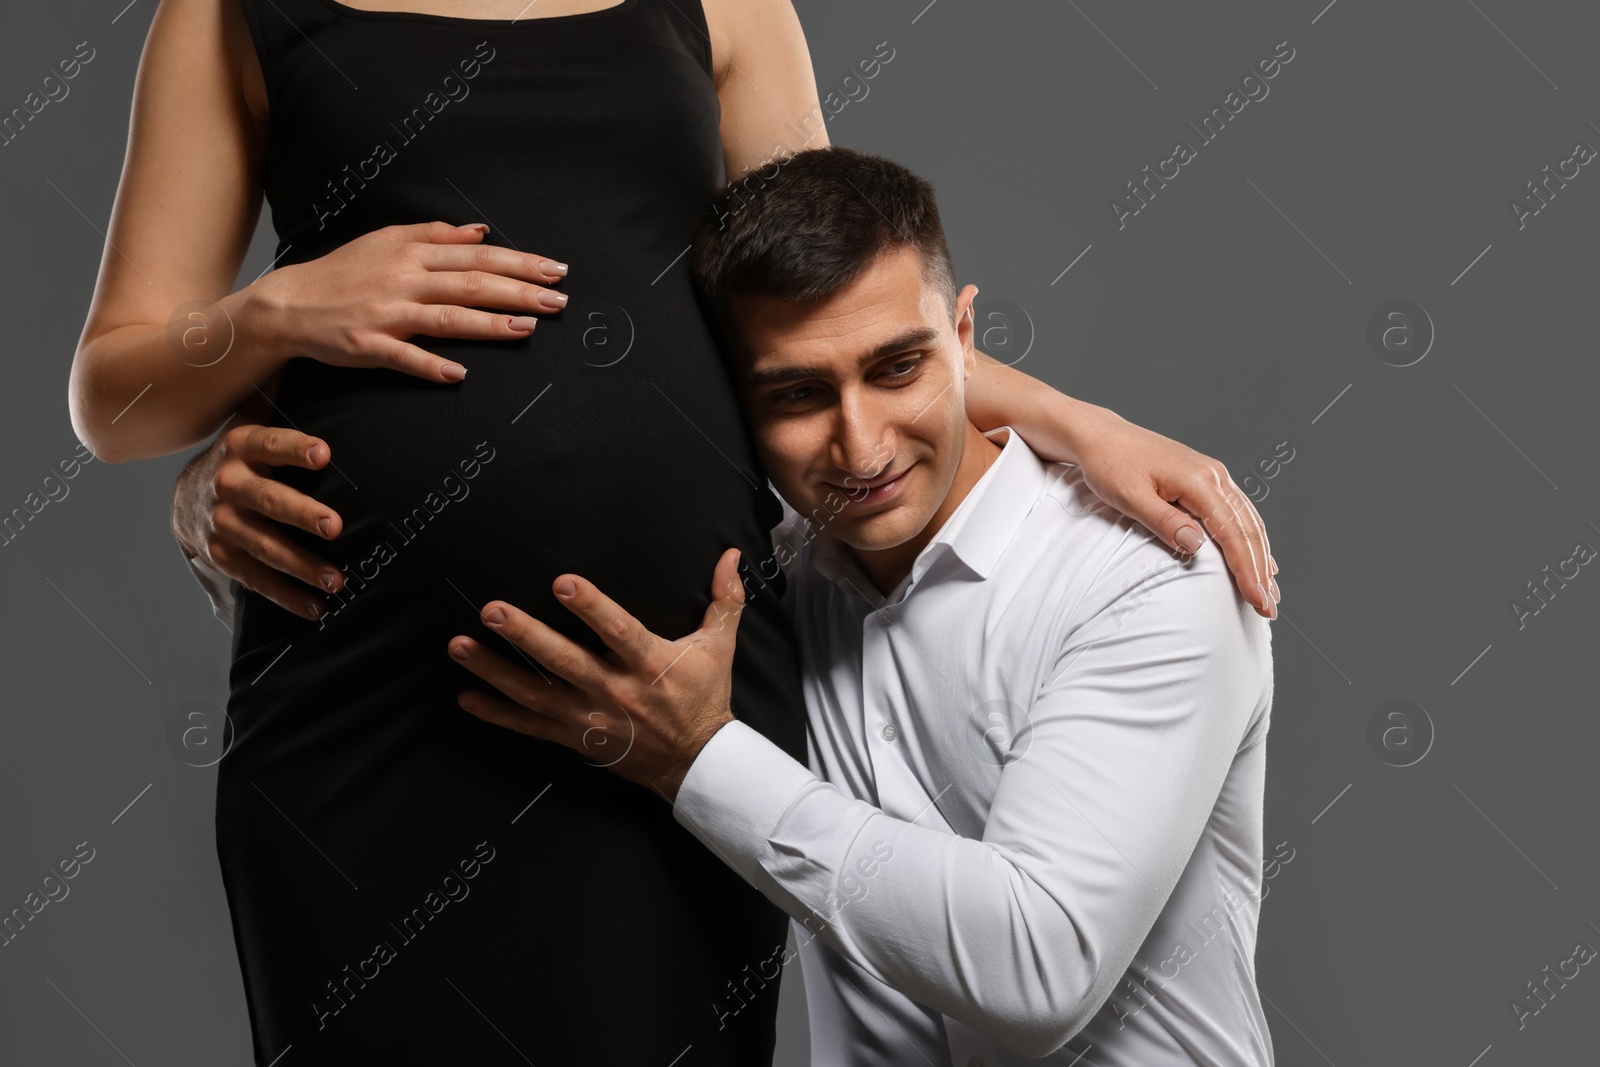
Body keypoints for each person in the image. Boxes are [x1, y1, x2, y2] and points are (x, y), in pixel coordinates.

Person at [67, 0, 1275, 1062]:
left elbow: (833, 300)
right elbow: (113, 398)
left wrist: (1073, 418)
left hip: (670, 709)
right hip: (369, 707)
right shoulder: (229, 8)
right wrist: (274, 315)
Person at [446, 147, 1276, 1065]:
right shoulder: (772, 582)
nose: (860, 446)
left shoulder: (1151, 578)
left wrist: (697, 757)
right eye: (799, 394)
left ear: (966, 339)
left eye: (896, 368)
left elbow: (1037, 969)